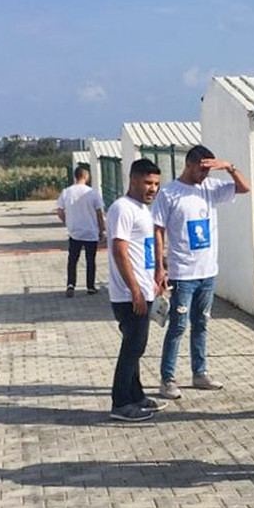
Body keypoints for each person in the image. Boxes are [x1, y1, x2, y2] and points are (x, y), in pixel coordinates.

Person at [151, 145, 250, 400]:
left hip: (208, 271)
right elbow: (158, 230)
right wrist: (159, 267)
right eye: (202, 169)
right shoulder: (170, 193)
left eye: (208, 169)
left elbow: (244, 188)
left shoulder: (210, 188)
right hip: (183, 273)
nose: (205, 174)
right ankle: (167, 378)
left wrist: (229, 167)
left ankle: (200, 372)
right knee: (178, 326)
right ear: (189, 164)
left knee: (202, 323)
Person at [107, 159, 167, 422]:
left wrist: (158, 273)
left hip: (144, 289)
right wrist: (135, 291)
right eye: (147, 183)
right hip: (129, 295)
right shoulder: (122, 208)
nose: (152, 188)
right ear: (132, 181)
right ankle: (121, 403)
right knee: (133, 348)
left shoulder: (142, 208)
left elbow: (143, 247)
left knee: (135, 347)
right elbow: (119, 250)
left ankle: (136, 395)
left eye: (156, 184)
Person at [56, 165, 106, 297]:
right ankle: (90, 286)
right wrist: (102, 230)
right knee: (90, 260)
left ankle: (71, 284)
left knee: (72, 259)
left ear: (75, 176)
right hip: (90, 232)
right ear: (85, 176)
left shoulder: (66, 192)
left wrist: (68, 221)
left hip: (74, 232)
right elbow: (99, 213)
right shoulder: (92, 193)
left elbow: (60, 211)